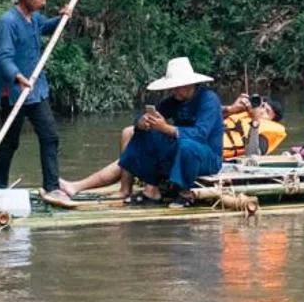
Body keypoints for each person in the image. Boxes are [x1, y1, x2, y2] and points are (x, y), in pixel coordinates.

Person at [60, 57, 222, 203]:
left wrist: (166, 128)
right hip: (182, 149)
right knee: (145, 132)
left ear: (188, 84)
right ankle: (150, 188)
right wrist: (141, 123)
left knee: (186, 145)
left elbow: (200, 135)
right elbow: (145, 117)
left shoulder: (208, 100)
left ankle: (183, 192)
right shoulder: (175, 100)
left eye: (177, 88)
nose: (174, 92)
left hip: (206, 155)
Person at [0, 0, 77, 207]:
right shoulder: (7, 21)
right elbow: (4, 57)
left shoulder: (34, 17)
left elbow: (45, 27)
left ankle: (51, 187)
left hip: (36, 90)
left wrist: (62, 18)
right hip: (15, 91)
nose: (43, 2)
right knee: (10, 142)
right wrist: (18, 77)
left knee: (50, 136)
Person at [223, 93, 288, 161]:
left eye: (267, 112)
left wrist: (255, 122)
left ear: (271, 121)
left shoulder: (267, 129)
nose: (262, 111)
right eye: (262, 106)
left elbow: (253, 154)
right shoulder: (240, 114)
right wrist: (229, 109)